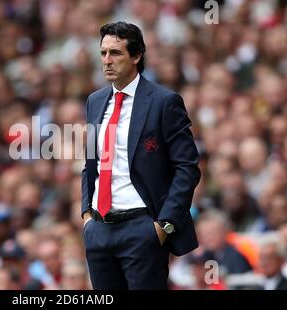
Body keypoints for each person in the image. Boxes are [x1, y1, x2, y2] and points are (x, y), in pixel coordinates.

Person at [81, 22, 201, 290]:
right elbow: (91, 162)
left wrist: (164, 226)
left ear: (136, 56)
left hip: (142, 228)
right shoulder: (95, 101)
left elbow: (187, 168)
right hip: (99, 230)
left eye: (116, 53)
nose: (107, 61)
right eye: (103, 53)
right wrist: (86, 215)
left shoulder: (164, 101)